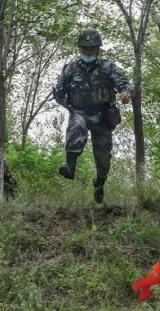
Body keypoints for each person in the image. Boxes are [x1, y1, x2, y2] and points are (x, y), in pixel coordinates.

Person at [53, 28, 132, 203]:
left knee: (103, 156)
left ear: (98, 48)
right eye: (84, 48)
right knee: (77, 125)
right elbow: (58, 92)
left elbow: (123, 83)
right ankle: (70, 166)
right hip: (80, 112)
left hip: (103, 116)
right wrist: (67, 104)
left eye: (92, 48)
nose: (88, 51)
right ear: (79, 48)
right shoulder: (70, 69)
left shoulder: (108, 67)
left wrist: (125, 93)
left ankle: (99, 184)